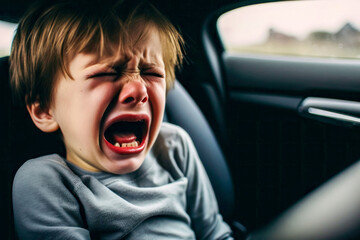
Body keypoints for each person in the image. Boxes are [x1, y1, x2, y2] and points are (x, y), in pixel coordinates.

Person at [10, 0, 233, 239]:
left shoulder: (174, 147)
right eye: (106, 73)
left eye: (151, 73)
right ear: (44, 110)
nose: (138, 90)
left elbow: (214, 232)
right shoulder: (46, 181)